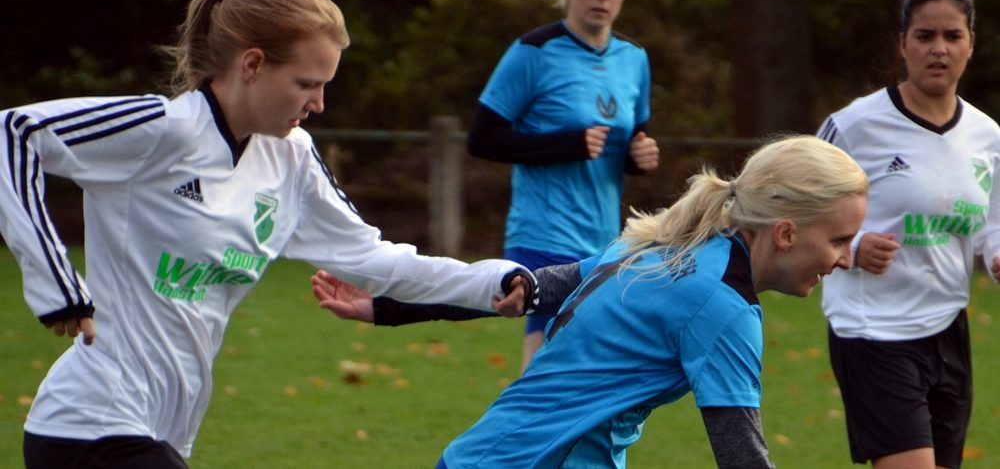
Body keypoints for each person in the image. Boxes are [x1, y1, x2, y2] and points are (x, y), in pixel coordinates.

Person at [0, 0, 535, 467]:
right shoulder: (162, 130)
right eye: (306, 83)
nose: (320, 103)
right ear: (252, 65)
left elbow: (373, 260)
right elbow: (12, 133)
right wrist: (58, 283)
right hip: (88, 425)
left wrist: (491, 279)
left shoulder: (291, 156)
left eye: (325, 84)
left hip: (163, 434)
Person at [313, 135, 869, 468]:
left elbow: (525, 288)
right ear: (788, 233)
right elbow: (742, 455)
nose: (846, 258)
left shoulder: (667, 248)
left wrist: (389, 307)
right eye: (839, 240)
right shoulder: (721, 303)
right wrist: (388, 305)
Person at [815, 0, 1000, 469]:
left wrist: (997, 254)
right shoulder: (854, 126)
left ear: (970, 45)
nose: (938, 48)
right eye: (924, 36)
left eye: (952, 36)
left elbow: (992, 225)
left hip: (948, 327)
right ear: (903, 44)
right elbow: (793, 213)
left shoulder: (988, 136)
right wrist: (851, 246)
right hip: (873, 331)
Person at [464, 0, 659, 370]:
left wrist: (639, 158)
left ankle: (539, 432)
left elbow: (629, 139)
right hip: (543, 232)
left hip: (604, 241)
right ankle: (524, 431)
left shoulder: (634, 58)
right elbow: (482, 138)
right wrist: (565, 144)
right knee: (548, 360)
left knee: (586, 363)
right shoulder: (533, 51)